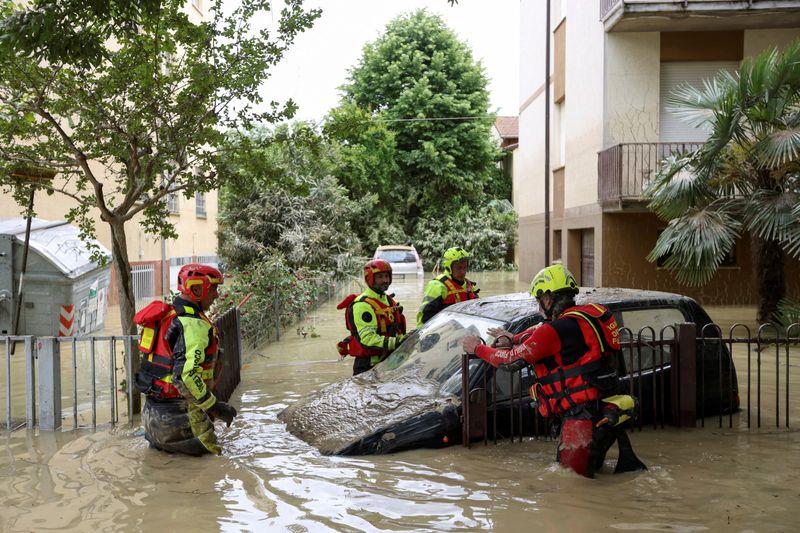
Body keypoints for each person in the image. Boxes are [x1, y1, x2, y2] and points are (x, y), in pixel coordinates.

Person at [461, 264, 646, 478]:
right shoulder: (586, 317)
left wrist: (478, 348)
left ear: (548, 299)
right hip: (605, 410)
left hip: (581, 420)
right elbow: (540, 333)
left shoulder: (555, 330)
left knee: (571, 485)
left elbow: (510, 362)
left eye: (539, 300)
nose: (539, 306)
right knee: (590, 475)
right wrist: (513, 337)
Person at [135, 263, 238, 456]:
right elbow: (186, 376)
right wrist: (214, 406)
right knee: (214, 468)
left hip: (151, 419)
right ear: (197, 288)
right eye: (214, 288)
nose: (216, 295)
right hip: (181, 420)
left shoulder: (166, 316)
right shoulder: (193, 325)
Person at [337, 259, 407, 375]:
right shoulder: (362, 305)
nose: (385, 280)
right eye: (379, 277)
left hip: (388, 363)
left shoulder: (388, 300)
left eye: (386, 276)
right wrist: (397, 342)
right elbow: (367, 339)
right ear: (370, 278)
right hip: (368, 366)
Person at [416, 246, 479, 328]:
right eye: (459, 268)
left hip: (463, 333)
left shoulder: (468, 286)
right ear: (449, 267)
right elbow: (424, 317)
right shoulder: (437, 286)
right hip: (442, 333)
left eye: (465, 267)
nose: (463, 272)